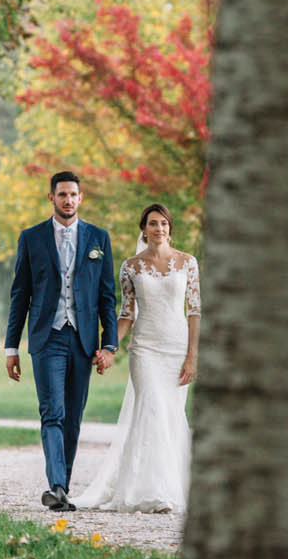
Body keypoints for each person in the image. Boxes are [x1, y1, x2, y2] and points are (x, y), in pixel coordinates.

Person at [73, 204, 198, 514]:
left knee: (170, 416)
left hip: (177, 347)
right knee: (151, 408)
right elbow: (126, 313)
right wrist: (109, 347)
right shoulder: (131, 266)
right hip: (144, 349)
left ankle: (171, 487)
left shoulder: (188, 263)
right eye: (153, 224)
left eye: (164, 223)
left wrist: (193, 356)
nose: (159, 229)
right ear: (144, 229)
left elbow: (194, 311)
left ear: (170, 228)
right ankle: (153, 493)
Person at [5, 171, 118, 511]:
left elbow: (107, 297)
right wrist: (11, 347)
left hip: (83, 340)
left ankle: (61, 489)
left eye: (73, 195)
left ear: (80, 198)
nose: (68, 200)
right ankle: (55, 483)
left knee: (73, 417)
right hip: (47, 337)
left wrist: (109, 345)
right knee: (52, 412)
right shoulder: (32, 238)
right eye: (62, 195)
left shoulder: (99, 238)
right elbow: (19, 295)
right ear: (51, 198)